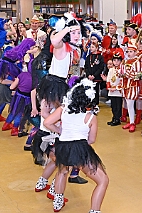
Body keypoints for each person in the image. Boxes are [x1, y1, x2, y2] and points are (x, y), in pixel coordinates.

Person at [44, 78, 109, 213]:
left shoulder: (63, 110)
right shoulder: (90, 117)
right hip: (80, 148)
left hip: (62, 146)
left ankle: (57, 203)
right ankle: (95, 211)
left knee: (62, 171)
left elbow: (47, 122)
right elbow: (91, 140)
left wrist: (60, 131)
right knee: (103, 181)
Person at [104, 49, 124, 126]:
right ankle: (114, 117)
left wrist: (116, 88)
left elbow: (122, 81)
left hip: (118, 91)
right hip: (111, 91)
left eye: (118, 60)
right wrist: (109, 87)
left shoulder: (122, 70)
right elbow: (108, 79)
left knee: (118, 106)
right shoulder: (111, 69)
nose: (116, 62)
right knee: (113, 106)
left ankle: (117, 118)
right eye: (114, 60)